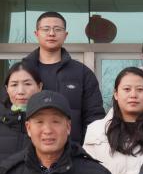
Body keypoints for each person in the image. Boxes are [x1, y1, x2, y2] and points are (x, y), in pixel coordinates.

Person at [20, 11, 104, 143]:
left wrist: (84, 150)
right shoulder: (22, 71)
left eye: (57, 29)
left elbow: (94, 117)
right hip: (27, 150)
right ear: (36, 34)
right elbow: (7, 114)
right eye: (46, 29)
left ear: (65, 35)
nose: (51, 33)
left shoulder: (82, 73)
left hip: (73, 150)